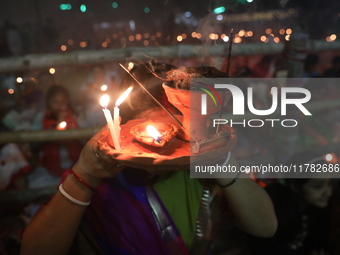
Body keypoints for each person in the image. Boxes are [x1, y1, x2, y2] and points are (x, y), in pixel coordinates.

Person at [20, 62, 277, 255]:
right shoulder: (102, 170)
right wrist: (85, 174)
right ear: (126, 127)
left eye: (172, 127)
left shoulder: (202, 163)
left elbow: (265, 228)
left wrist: (220, 160)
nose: (160, 141)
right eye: (148, 129)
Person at [248, 150, 334, 255]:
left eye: (329, 183)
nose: (328, 193)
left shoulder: (316, 208)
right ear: (295, 185)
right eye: (318, 186)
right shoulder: (274, 213)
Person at [28, 85, 83, 188]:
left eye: (63, 102)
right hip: (49, 170)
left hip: (75, 168)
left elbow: (86, 139)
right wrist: (50, 134)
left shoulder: (76, 117)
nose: (60, 106)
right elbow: (33, 143)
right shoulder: (41, 118)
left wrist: (74, 131)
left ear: (68, 102)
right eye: (56, 102)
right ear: (49, 103)